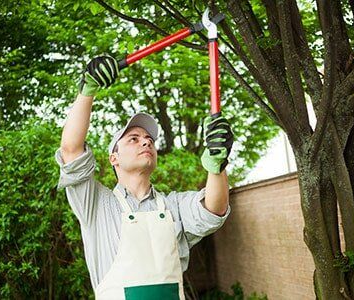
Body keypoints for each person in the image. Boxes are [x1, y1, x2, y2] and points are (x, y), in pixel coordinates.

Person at [55, 55, 234, 299]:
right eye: (134, 139)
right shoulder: (95, 204)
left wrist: (217, 164)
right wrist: (87, 90)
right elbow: (71, 150)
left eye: (149, 140)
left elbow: (214, 208)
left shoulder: (174, 206)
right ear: (114, 158)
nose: (146, 142)